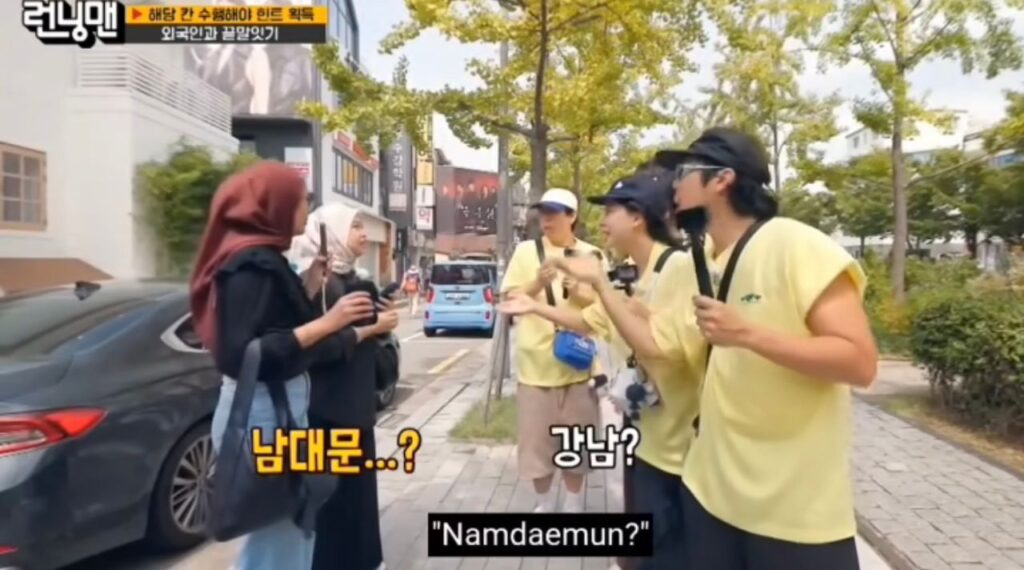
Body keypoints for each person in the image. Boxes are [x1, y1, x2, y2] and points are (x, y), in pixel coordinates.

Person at [580, 127, 878, 569]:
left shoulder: (794, 244)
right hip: (710, 496)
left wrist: (747, 334)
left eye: (684, 171)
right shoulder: (702, 262)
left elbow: (860, 362)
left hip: (791, 512)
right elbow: (670, 349)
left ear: (722, 179)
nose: (673, 183)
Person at [501, 172, 703, 569]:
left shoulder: (674, 267)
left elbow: (655, 347)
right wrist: (535, 303)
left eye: (611, 211)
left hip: (679, 446)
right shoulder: (632, 269)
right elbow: (594, 318)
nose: (604, 221)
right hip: (645, 434)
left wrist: (597, 286)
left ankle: (578, 510)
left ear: (638, 217)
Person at [190, 161, 377, 570]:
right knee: (278, 542)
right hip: (263, 417)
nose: (308, 207)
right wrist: (331, 321)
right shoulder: (250, 266)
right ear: (274, 206)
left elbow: (275, 327)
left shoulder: (269, 261)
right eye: (301, 200)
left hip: (281, 413)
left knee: (294, 529)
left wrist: (309, 286)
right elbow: (243, 355)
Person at [288, 203, 400, 570]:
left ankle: (365, 560)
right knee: (329, 500)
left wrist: (381, 323)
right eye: (355, 227)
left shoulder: (359, 282)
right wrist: (369, 329)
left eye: (363, 226)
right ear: (332, 232)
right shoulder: (315, 286)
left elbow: (370, 338)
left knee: (360, 495)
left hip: (356, 405)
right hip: (324, 409)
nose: (364, 234)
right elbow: (314, 351)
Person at [499, 188, 605, 514]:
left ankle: (573, 502)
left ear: (572, 216)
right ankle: (544, 504)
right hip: (535, 368)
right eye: (543, 213)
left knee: (577, 441)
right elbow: (509, 301)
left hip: (579, 366)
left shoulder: (592, 254)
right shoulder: (526, 252)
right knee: (536, 445)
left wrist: (580, 292)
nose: (547, 220)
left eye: (555, 213)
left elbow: (606, 306)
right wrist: (536, 283)